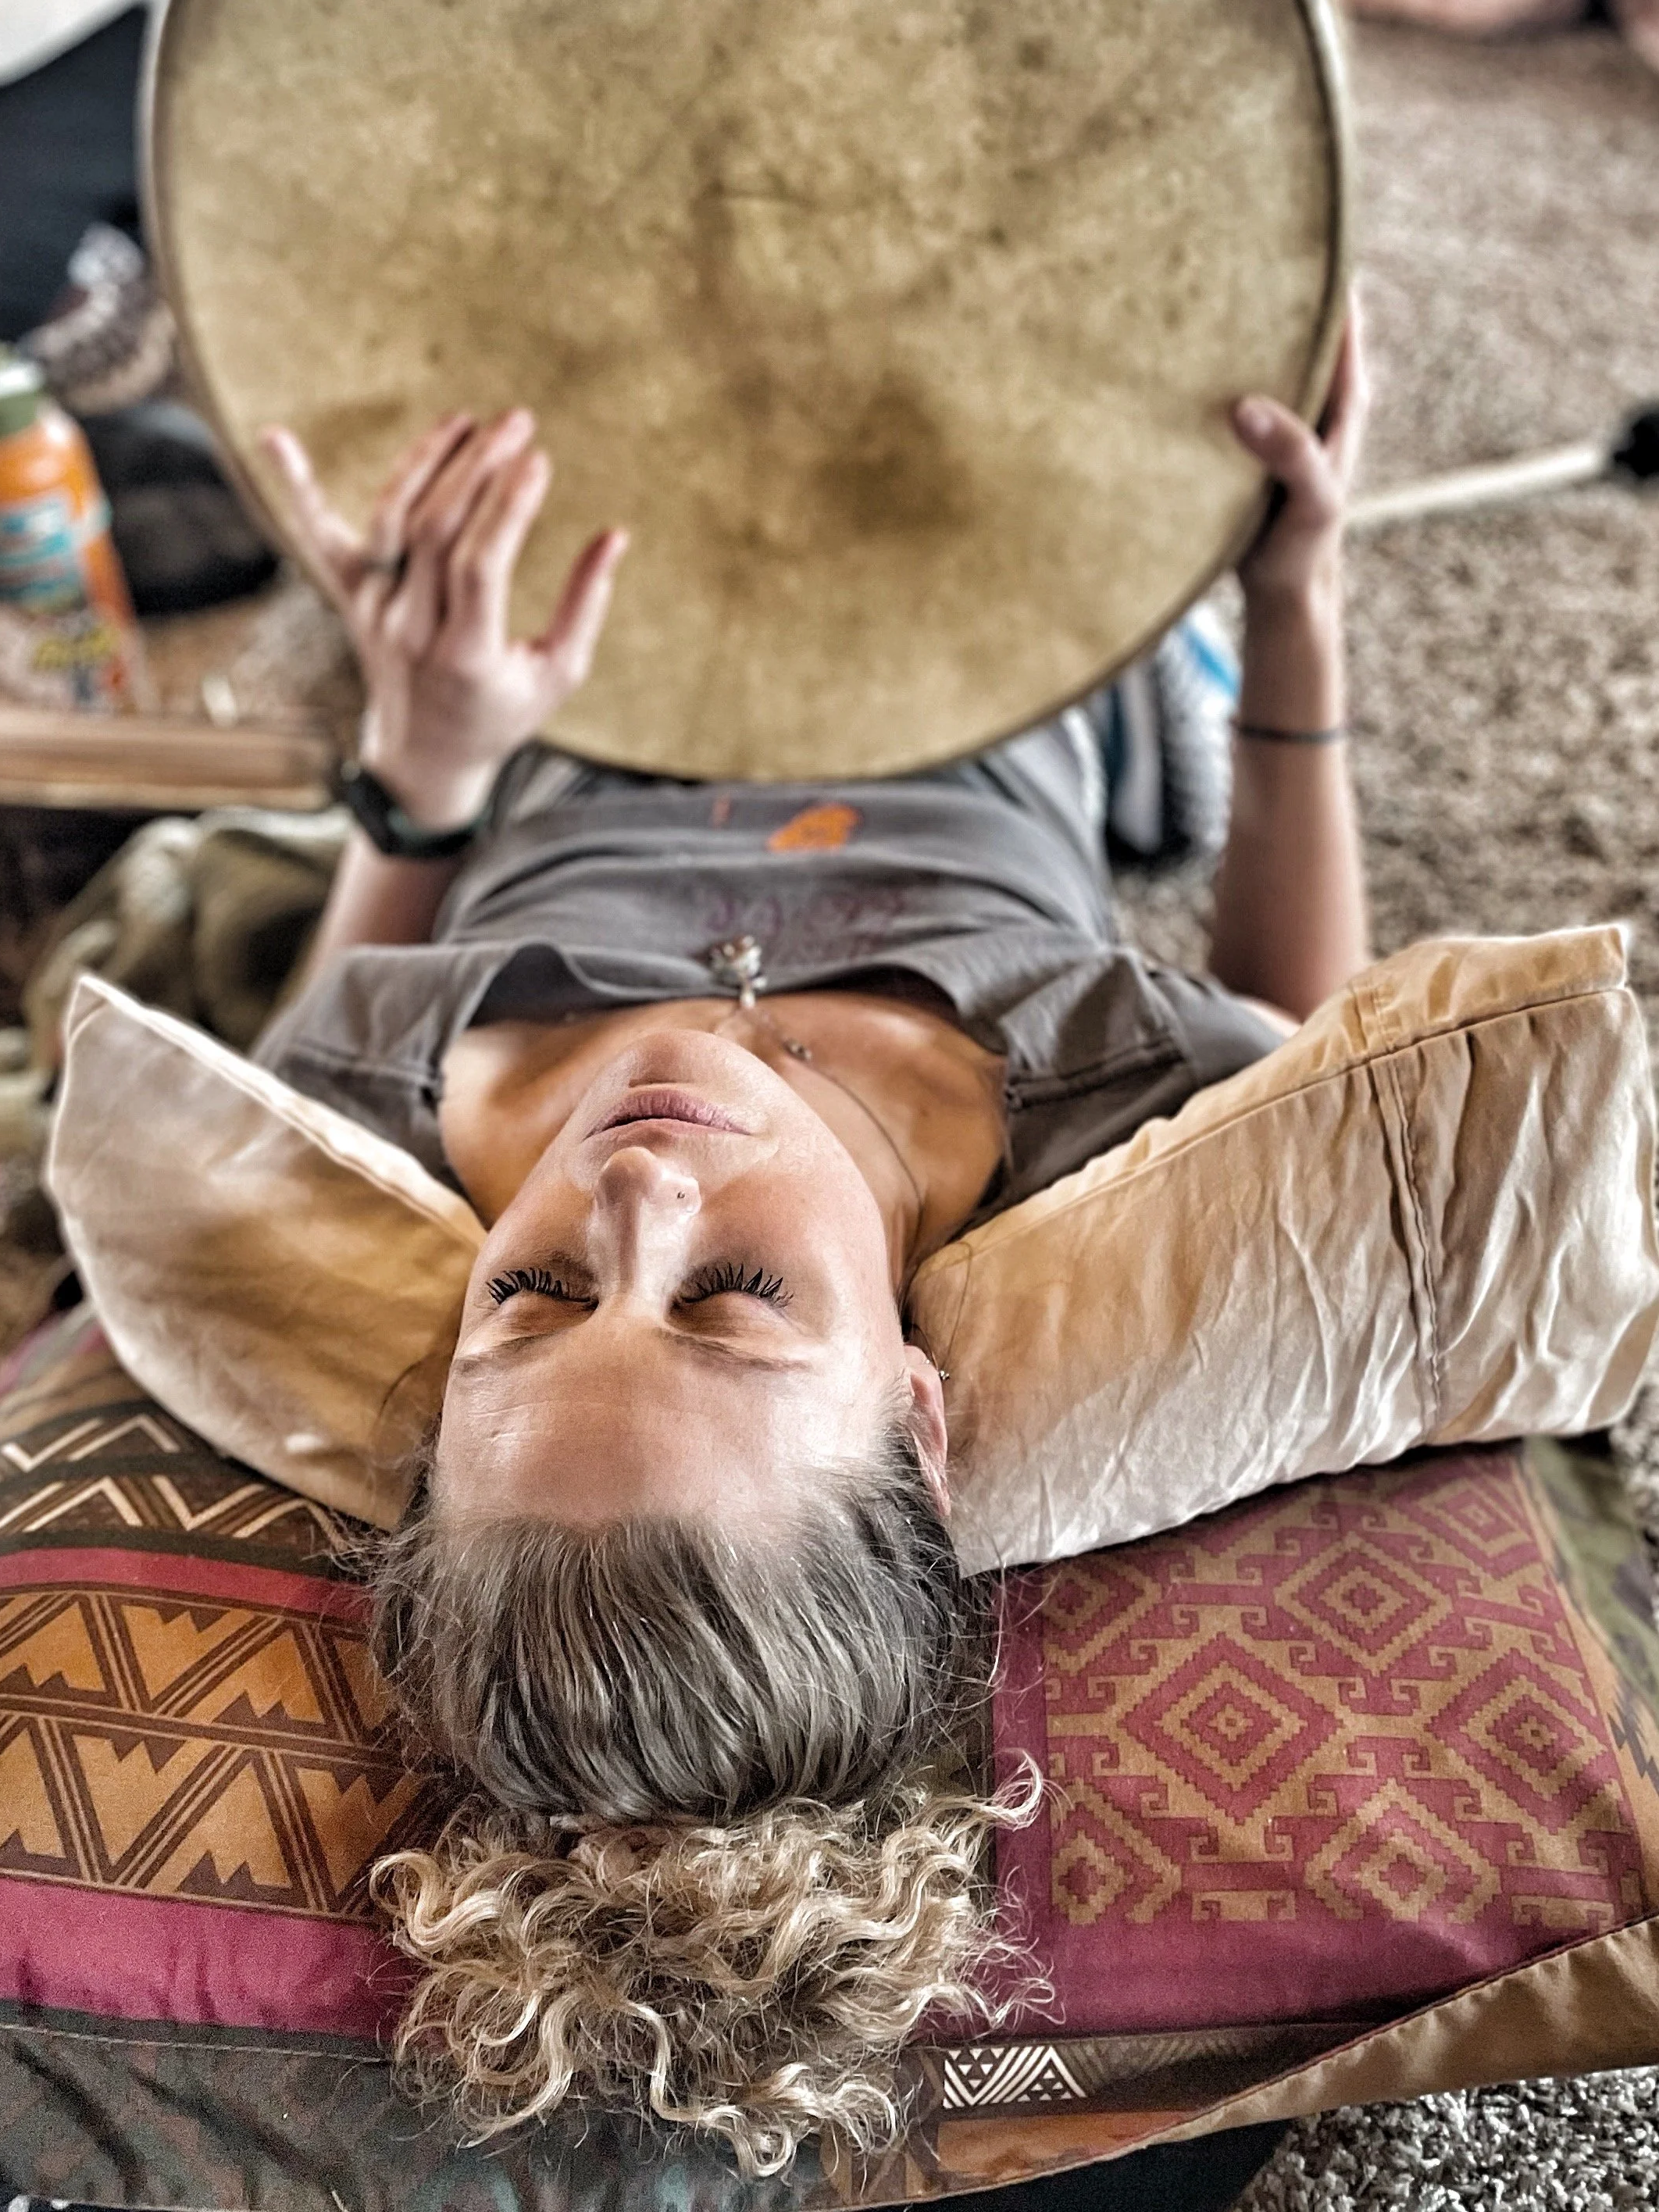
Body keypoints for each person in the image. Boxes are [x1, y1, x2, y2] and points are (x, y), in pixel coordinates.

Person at [250, 328, 1370, 2174]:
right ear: (920, 1422)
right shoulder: (1108, 1076)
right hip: (994, 637)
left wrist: (420, 763)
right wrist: (1297, 603)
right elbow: (1309, 1057)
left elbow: (396, 856)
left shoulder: (381, 1069)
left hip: (570, 660)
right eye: (734, 1298)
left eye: (523, 1296)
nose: (630, 1196)